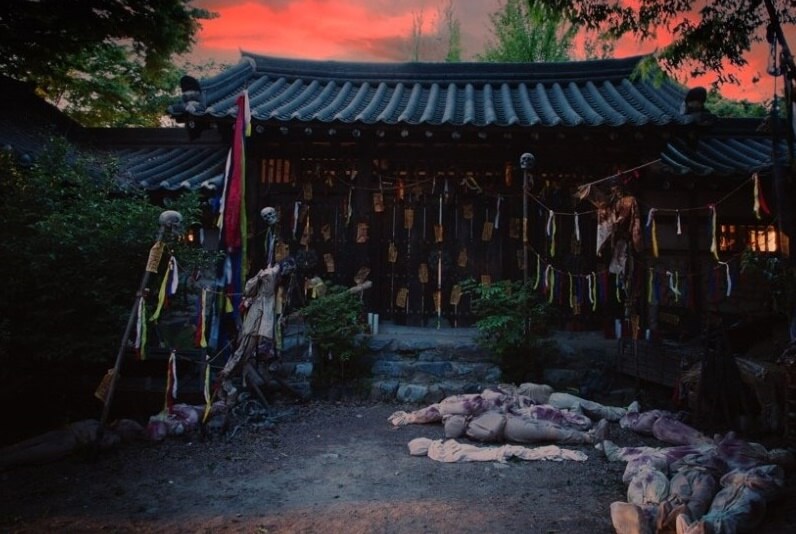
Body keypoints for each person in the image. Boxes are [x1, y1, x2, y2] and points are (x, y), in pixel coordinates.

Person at [218, 262, 280, 400]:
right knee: (242, 351)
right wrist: (263, 274)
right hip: (255, 321)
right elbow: (250, 290)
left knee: (246, 352)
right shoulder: (266, 276)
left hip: (260, 320)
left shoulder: (268, 277)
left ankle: (232, 381)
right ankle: (225, 379)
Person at [0, 418, 144, 470]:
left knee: (29, 452)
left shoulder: (109, 435)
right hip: (67, 435)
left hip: (69, 439)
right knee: (28, 448)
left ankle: (5, 459)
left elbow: (98, 446)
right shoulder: (100, 424)